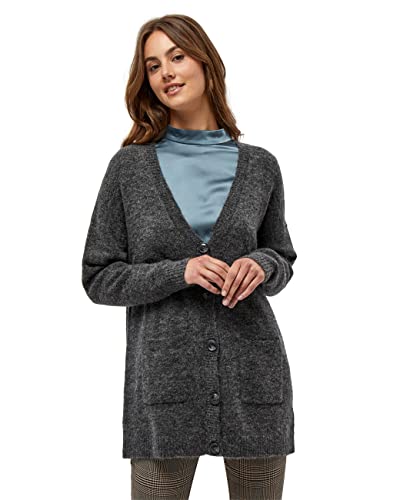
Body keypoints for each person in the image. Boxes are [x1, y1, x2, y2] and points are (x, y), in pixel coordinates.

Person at [82, 13, 297, 500]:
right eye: (153, 65)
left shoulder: (261, 166)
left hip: (253, 381)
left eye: (177, 57)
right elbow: (98, 276)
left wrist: (261, 265)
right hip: (163, 392)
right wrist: (181, 271)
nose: (166, 73)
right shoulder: (129, 168)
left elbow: (282, 256)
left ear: (206, 63)